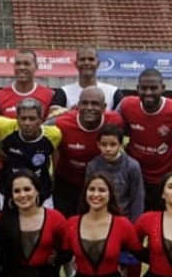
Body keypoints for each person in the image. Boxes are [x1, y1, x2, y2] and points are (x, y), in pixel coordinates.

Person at [57, 173, 141, 277]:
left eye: (102, 190)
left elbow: (136, 259)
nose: (96, 194)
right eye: (92, 190)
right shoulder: (72, 223)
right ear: (85, 194)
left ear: (110, 195)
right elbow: (63, 257)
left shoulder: (123, 224)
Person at [116, 68, 172, 211]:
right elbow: (112, 125)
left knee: (165, 222)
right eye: (143, 88)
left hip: (167, 178)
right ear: (137, 88)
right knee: (135, 220)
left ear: (163, 88)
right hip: (136, 176)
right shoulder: (126, 105)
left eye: (153, 88)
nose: (148, 93)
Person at [0, 170, 65, 277]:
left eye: (27, 189)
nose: (22, 195)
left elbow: (68, 248)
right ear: (11, 195)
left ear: (37, 191)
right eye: (17, 191)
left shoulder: (55, 218)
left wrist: (57, 258)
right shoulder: (3, 219)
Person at [51, 86, 123, 215]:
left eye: (95, 104)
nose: (89, 108)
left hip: (100, 186)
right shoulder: (62, 124)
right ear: (78, 105)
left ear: (104, 106)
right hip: (67, 185)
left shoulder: (115, 121)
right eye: (84, 103)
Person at [0, 99, 62, 208]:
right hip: (8, 192)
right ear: (17, 120)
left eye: (32, 119)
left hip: (42, 192)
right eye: (23, 119)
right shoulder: (6, 127)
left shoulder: (54, 134)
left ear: (40, 120)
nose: (27, 123)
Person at [85, 123, 144, 222]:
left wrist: (135, 225)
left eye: (113, 145)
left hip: (124, 218)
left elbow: (137, 198)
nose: (108, 149)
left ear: (120, 145)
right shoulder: (92, 166)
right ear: (98, 145)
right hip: (100, 218)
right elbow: (88, 196)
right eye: (104, 144)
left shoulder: (132, 166)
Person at [0, 49, 55, 119]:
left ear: (36, 66)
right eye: (18, 64)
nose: (21, 67)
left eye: (26, 64)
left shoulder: (49, 95)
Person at [55, 46, 119, 110]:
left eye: (91, 59)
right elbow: (52, 117)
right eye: (82, 59)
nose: (86, 63)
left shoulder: (113, 92)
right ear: (76, 64)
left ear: (98, 64)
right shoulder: (64, 92)